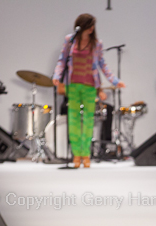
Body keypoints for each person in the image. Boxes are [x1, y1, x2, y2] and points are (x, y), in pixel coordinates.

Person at [52, 13, 125, 168]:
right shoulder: (70, 40)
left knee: (88, 120)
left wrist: (114, 81)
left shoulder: (96, 44)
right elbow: (62, 59)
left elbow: (102, 65)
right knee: (73, 119)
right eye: (89, 26)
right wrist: (57, 75)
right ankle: (76, 154)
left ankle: (86, 154)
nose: (91, 29)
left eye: (93, 26)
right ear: (82, 26)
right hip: (73, 85)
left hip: (90, 86)